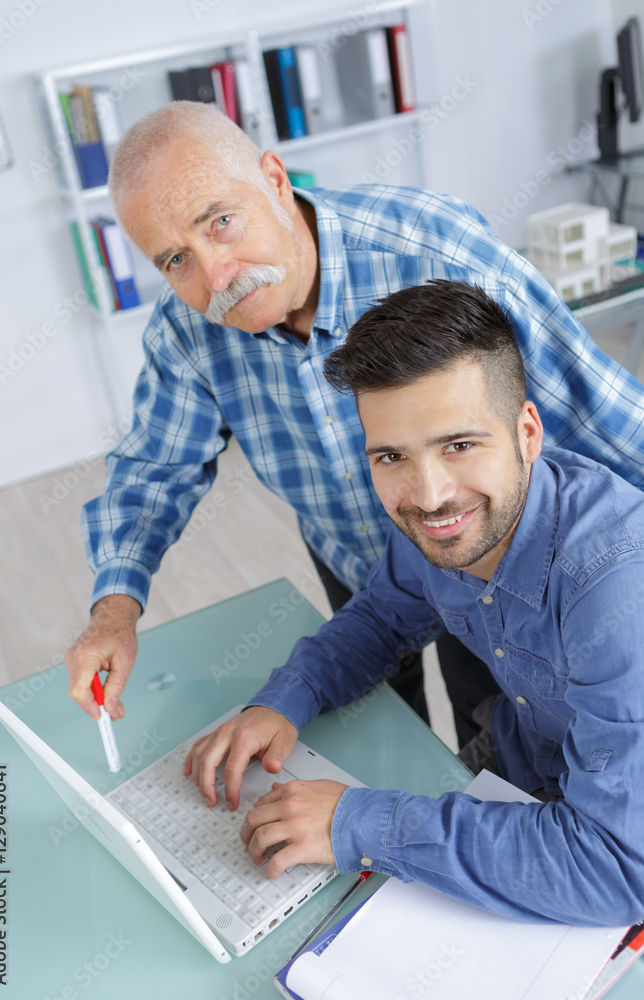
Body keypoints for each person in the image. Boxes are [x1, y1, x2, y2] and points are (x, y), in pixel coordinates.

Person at [67, 101, 644, 750]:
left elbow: (612, 421)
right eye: (175, 260)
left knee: (492, 728)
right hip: (355, 559)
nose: (214, 276)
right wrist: (114, 609)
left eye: (222, 223)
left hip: (489, 564)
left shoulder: (440, 251)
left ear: (277, 181)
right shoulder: (186, 329)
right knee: (377, 736)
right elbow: (153, 468)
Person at [185, 281, 644, 927]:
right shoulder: (443, 528)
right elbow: (378, 619)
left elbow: (617, 869)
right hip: (530, 761)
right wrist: (283, 699)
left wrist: (359, 822)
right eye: (391, 456)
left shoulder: (617, 583)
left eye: (459, 445)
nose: (428, 495)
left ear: (527, 432)